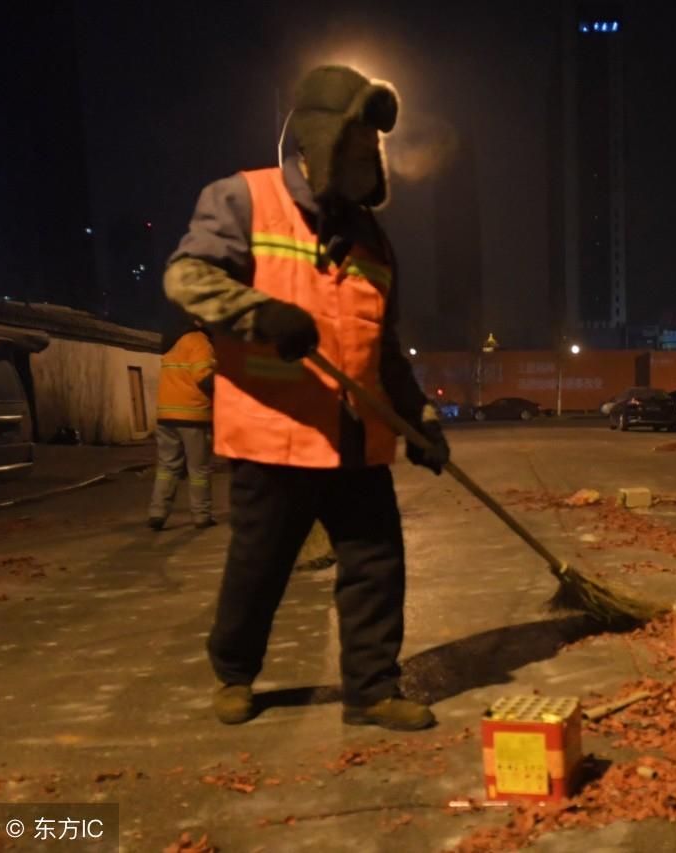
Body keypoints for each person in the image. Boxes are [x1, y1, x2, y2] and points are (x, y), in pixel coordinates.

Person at [163, 65, 450, 731]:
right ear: (320, 141)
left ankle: (371, 690)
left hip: (357, 438)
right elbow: (186, 277)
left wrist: (421, 420)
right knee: (259, 569)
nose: (368, 153)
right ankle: (234, 674)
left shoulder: (374, 239)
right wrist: (259, 313)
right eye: (356, 140)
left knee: (376, 567)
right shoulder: (242, 199)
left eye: (373, 144)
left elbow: (384, 347)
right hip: (276, 435)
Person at [148, 310, 216, 530]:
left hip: (166, 416)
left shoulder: (172, 344)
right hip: (193, 415)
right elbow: (203, 377)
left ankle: (157, 513)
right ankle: (201, 515)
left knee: (167, 467)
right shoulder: (198, 341)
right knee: (199, 470)